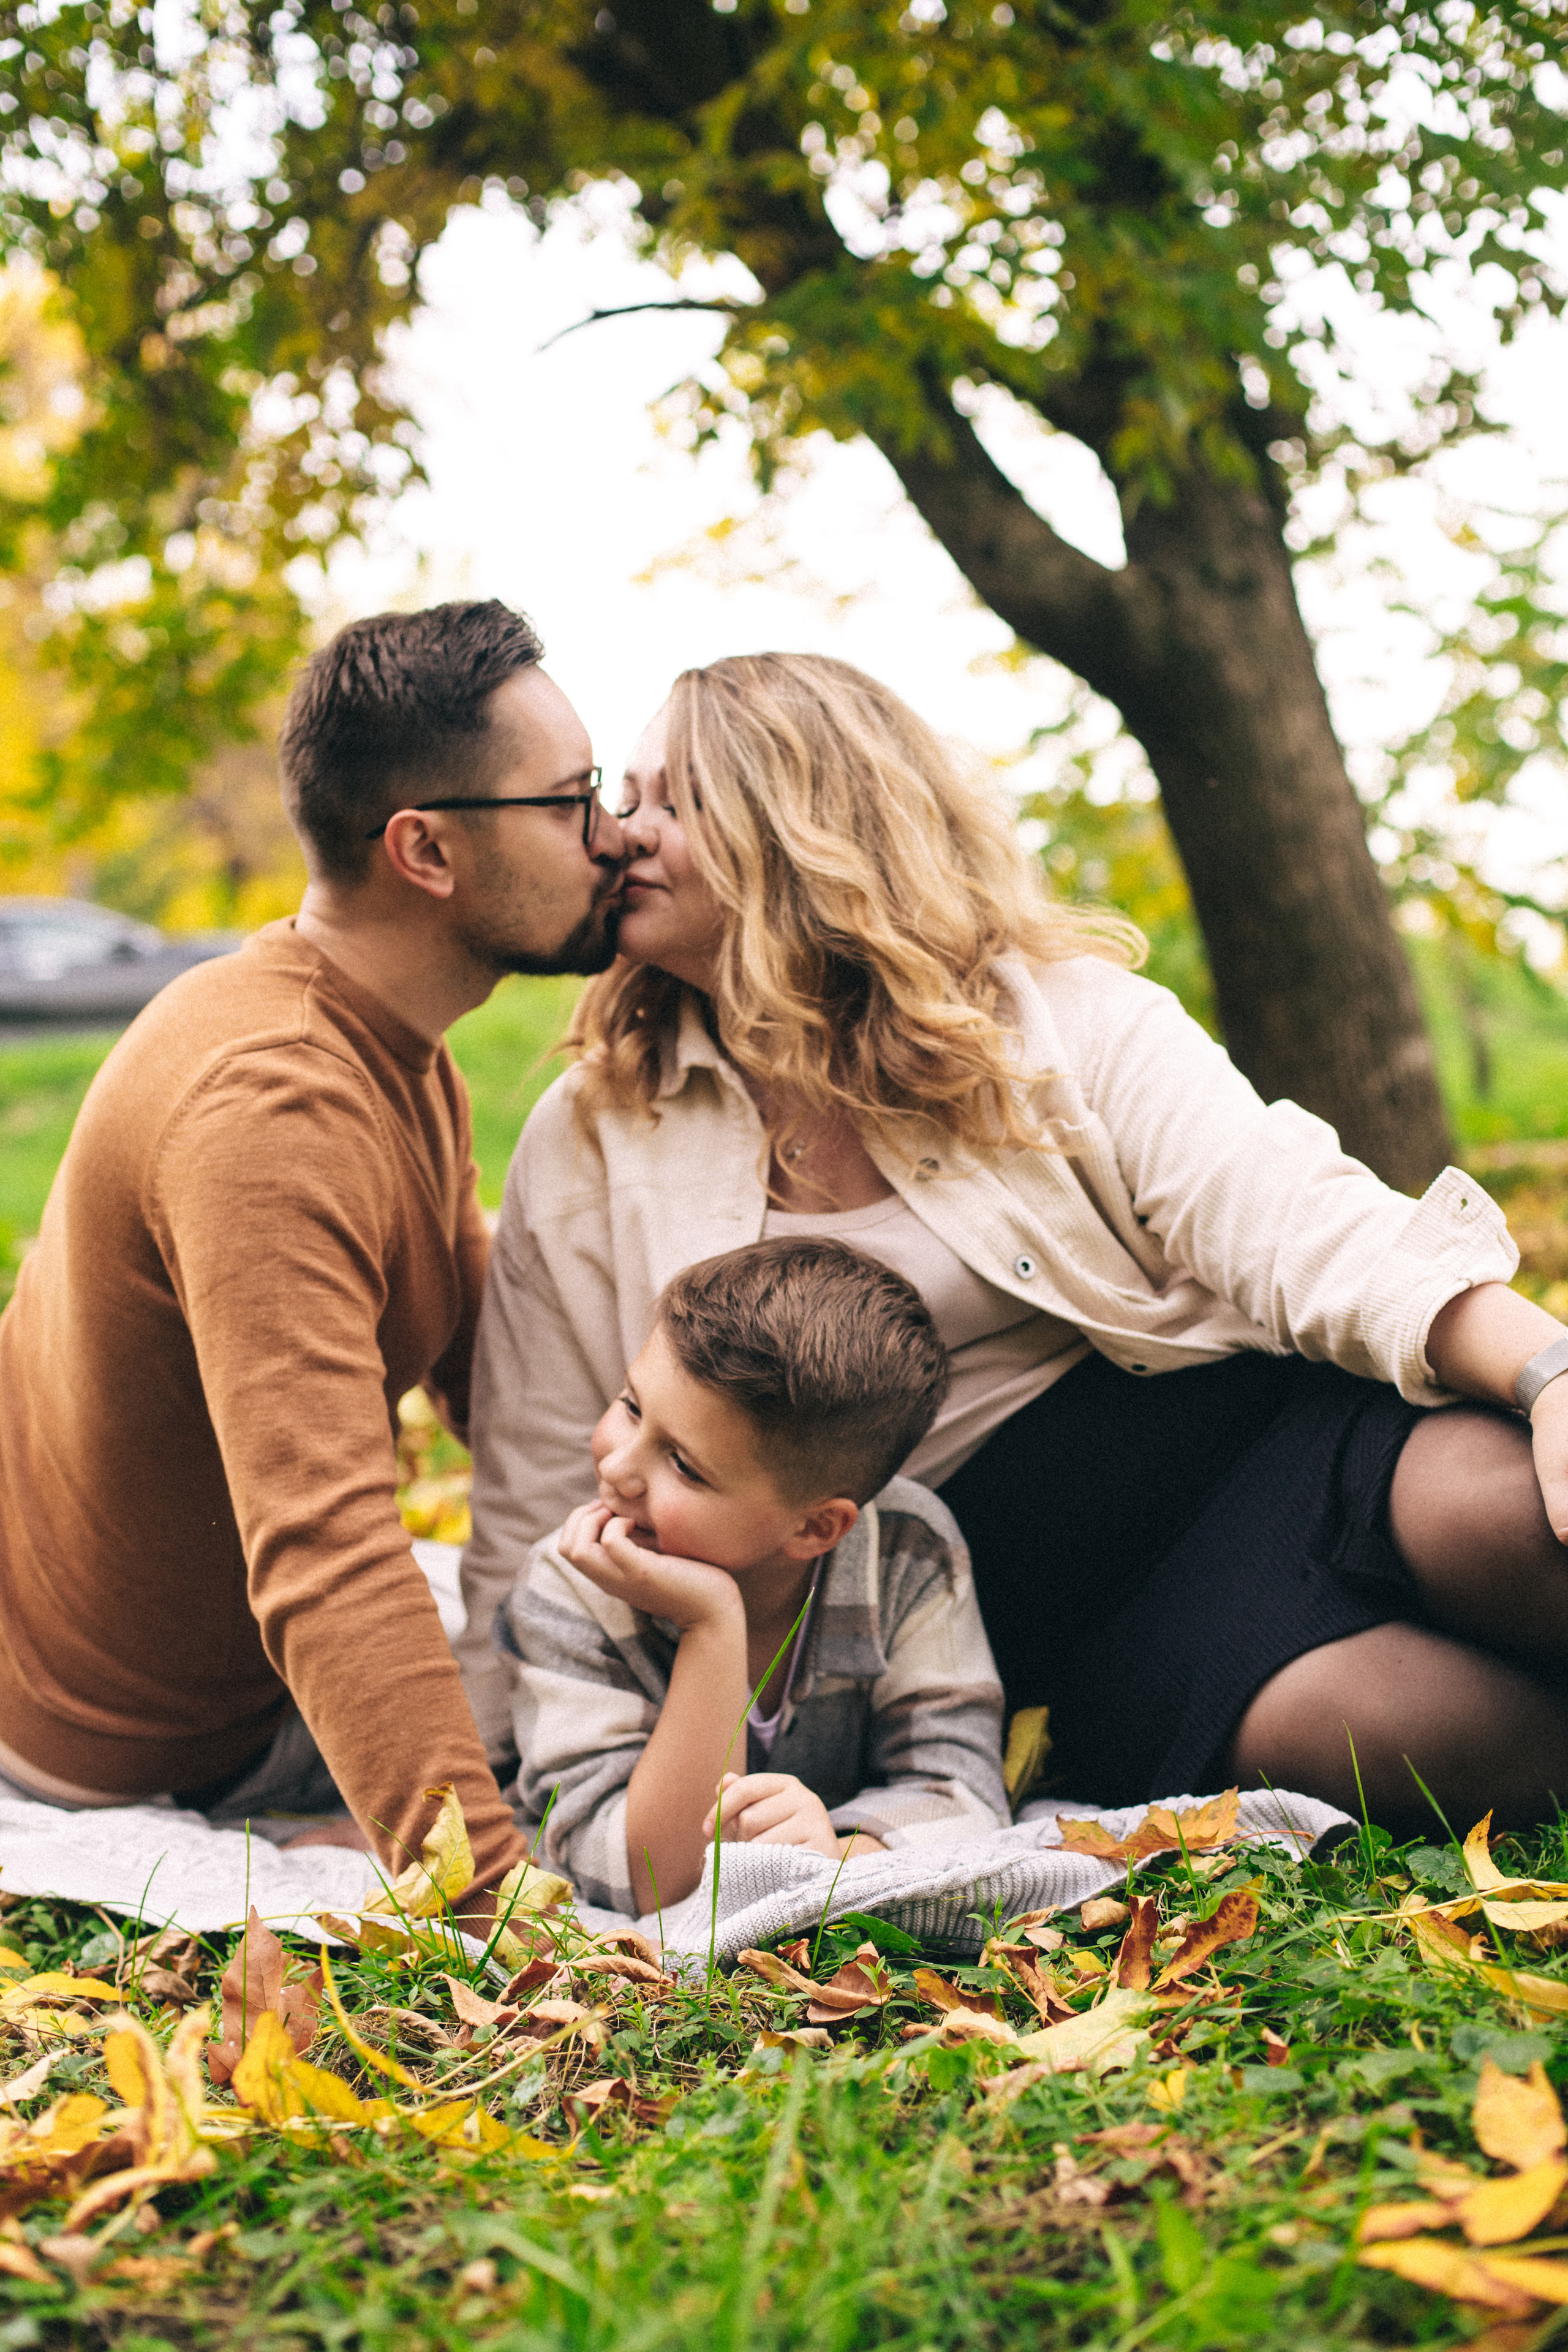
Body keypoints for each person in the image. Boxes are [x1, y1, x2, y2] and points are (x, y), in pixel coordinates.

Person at [461, 649, 1568, 1840]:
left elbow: (1298, 1217)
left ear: (803, 829)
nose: (621, 834)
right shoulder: (592, 1132)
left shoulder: (1050, 1017)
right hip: (1051, 1616)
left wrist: (1546, 1375)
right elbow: (535, 1481)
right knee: (1420, 1737)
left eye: (674, 802)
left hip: (1256, 1435)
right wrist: (476, 1790)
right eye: (624, 799)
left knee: (1519, 1523)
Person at [0, 599, 624, 1903]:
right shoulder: (273, 1108)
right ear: (426, 850)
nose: (610, 836)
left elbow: (488, 1365)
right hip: (122, 1741)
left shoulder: (392, 1046)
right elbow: (327, 1548)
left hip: (193, 1676)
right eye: (570, 801)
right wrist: (495, 1900)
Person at [499, 1237, 1006, 1915]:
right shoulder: (571, 1583)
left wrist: (836, 1853)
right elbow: (652, 1883)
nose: (616, 1469)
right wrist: (711, 1623)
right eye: (631, 1406)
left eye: (683, 1465)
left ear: (815, 1528)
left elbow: (965, 1796)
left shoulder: (907, 1550)